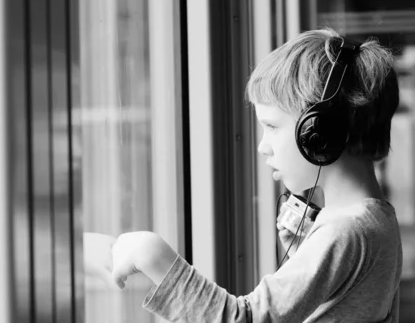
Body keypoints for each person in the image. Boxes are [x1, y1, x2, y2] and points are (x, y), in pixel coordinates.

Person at [108, 28, 403, 322]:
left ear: (318, 133)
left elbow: (246, 319)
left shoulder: (345, 232)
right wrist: (304, 252)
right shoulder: (377, 219)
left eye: (272, 126)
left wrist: (152, 256)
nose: (263, 147)